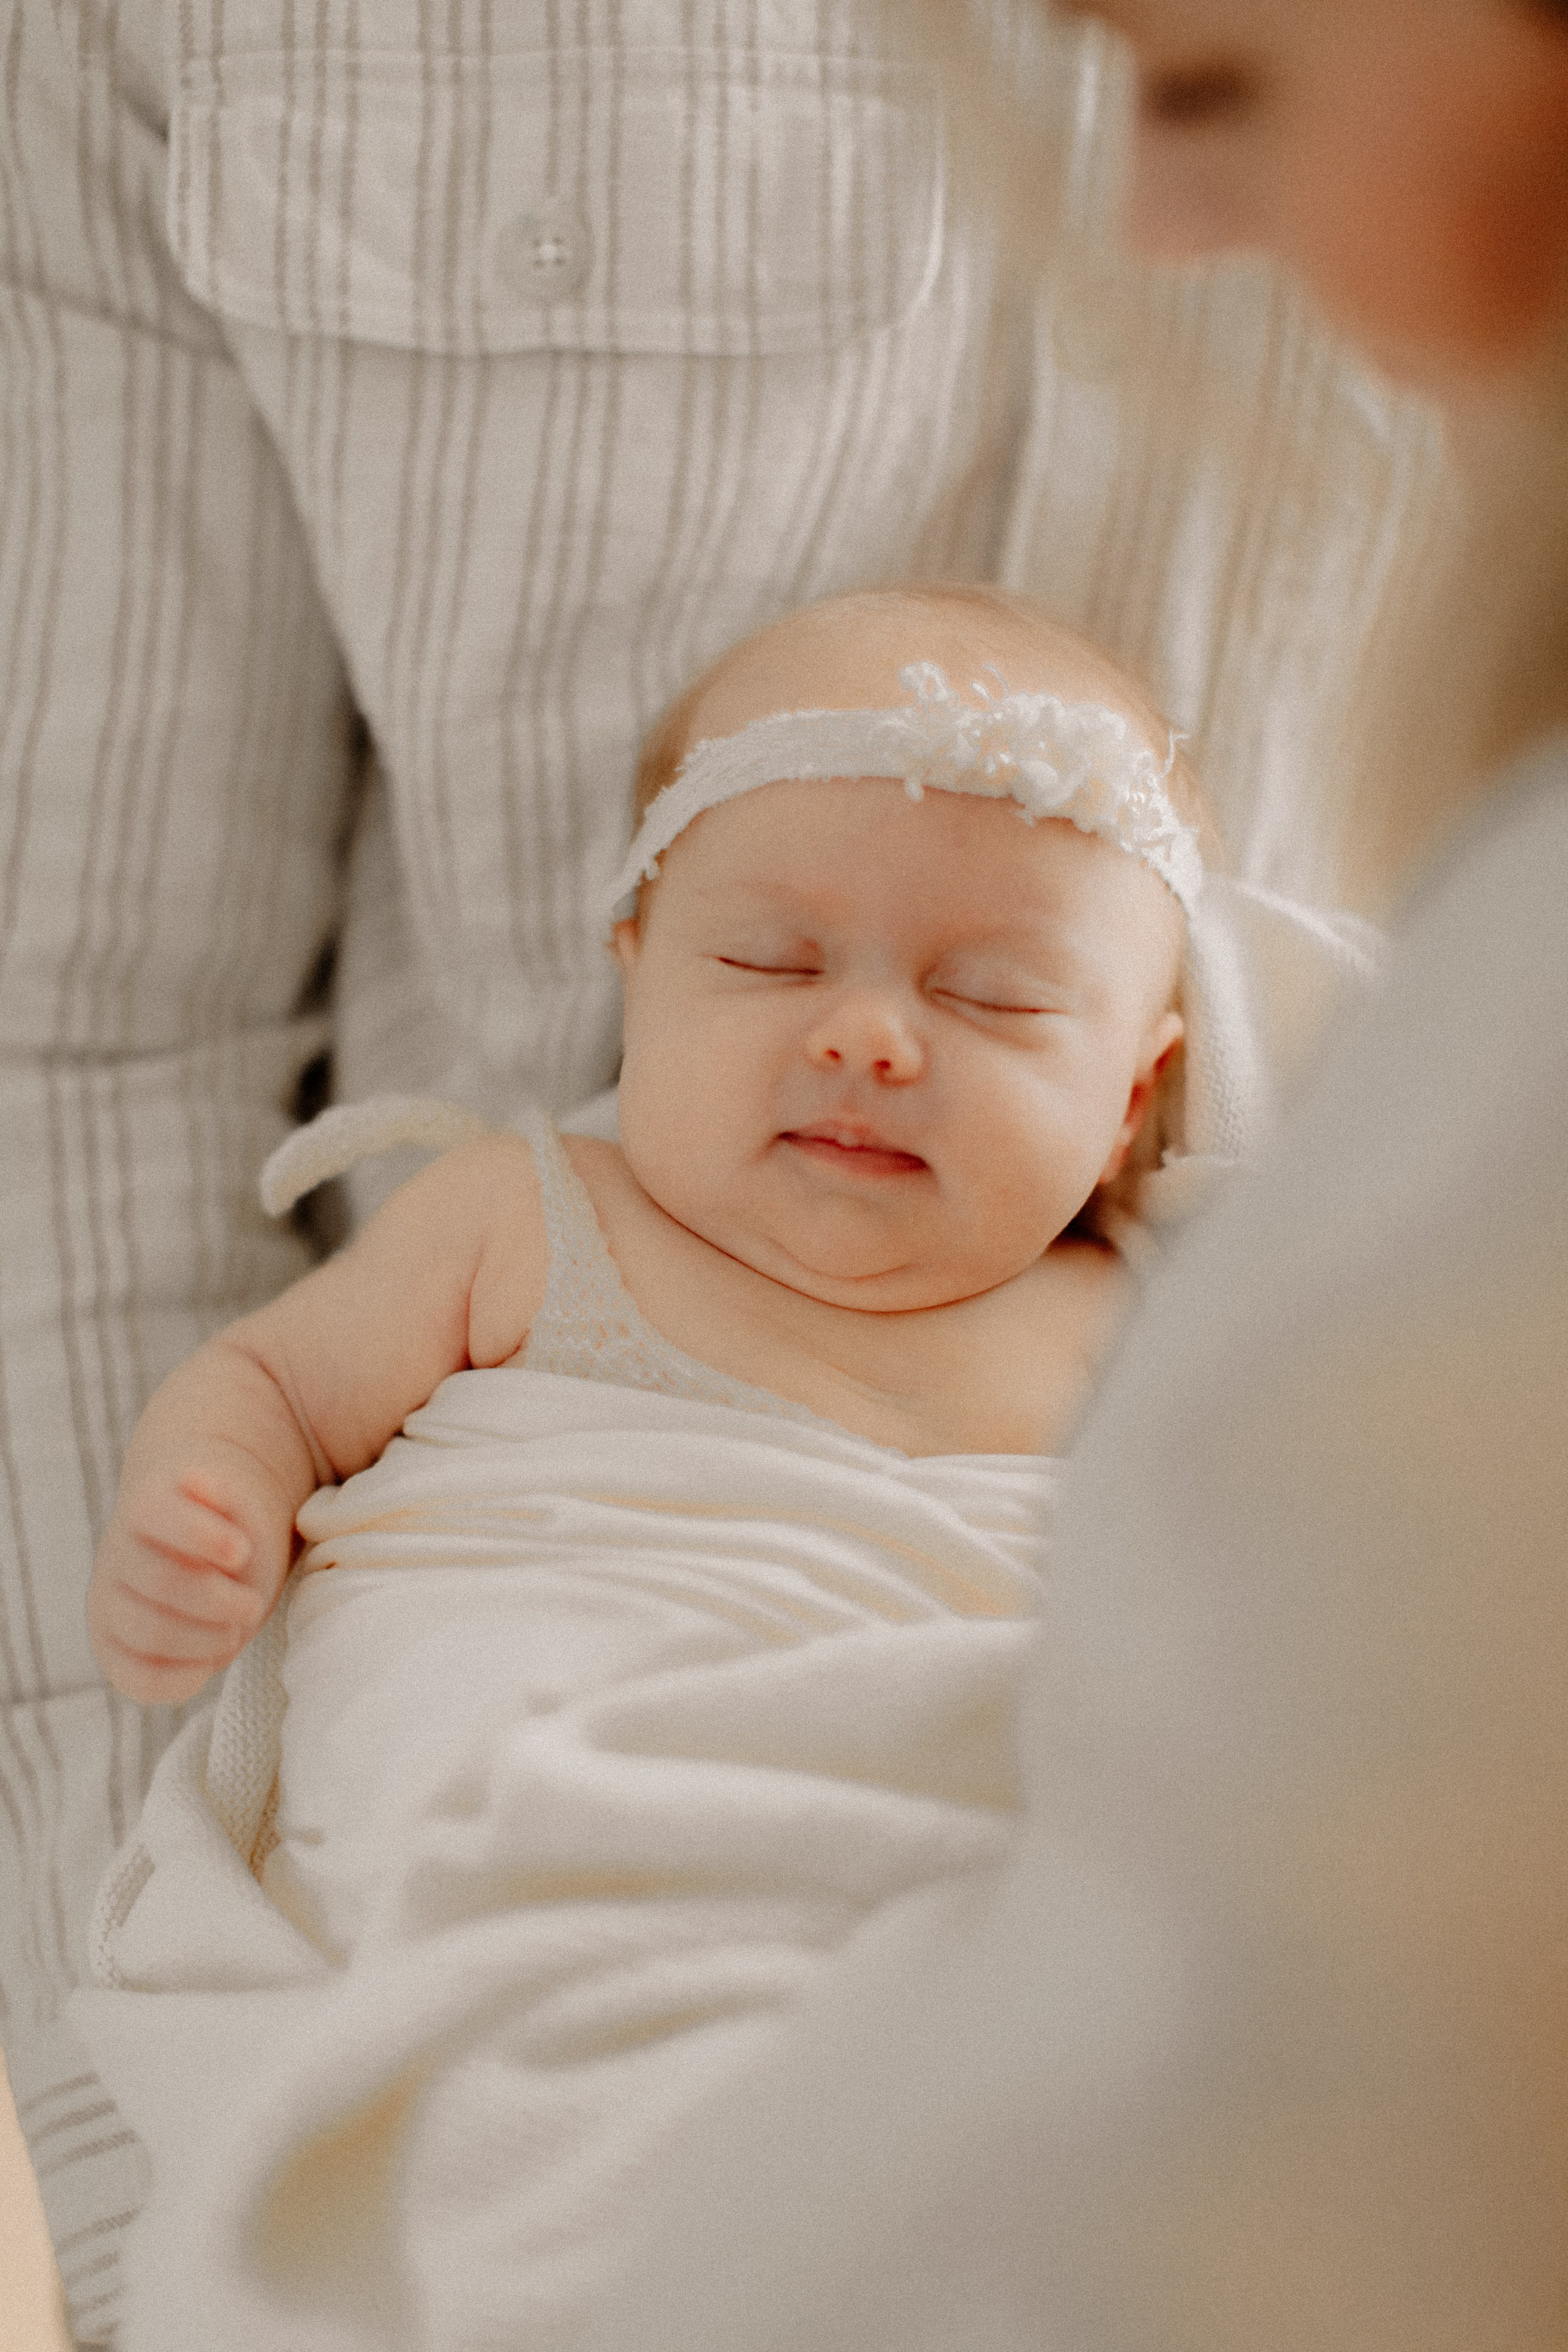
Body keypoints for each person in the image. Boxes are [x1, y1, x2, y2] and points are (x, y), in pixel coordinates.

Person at [562, 5, 1568, 2349]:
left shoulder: (1396, 1201)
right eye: (768, 950)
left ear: (1149, 1078)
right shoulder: (521, 1226)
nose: (1161, 221)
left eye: (1224, 87)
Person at [86, 585, 1198, 1706]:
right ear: (640, 983)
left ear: (1129, 1102)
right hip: (526, 1804)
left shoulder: (1150, 1314)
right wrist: (210, 1500)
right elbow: (274, 1381)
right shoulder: (529, 1221)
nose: (867, 1041)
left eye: (990, 998)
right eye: (771, 960)